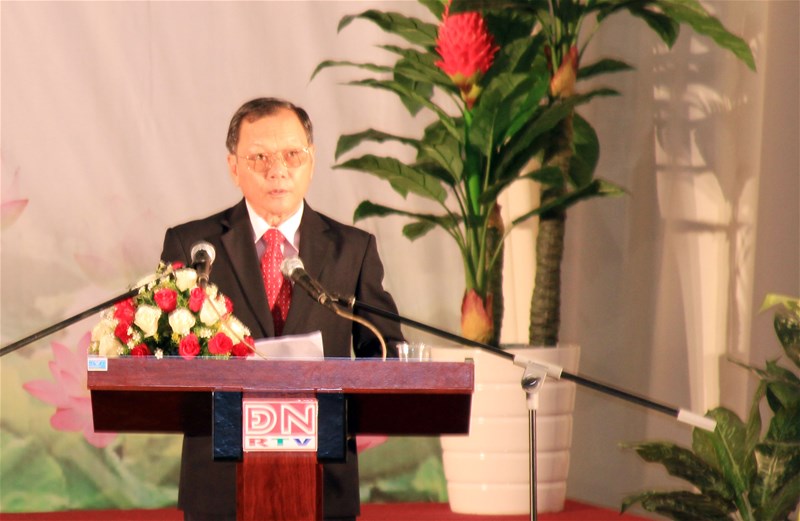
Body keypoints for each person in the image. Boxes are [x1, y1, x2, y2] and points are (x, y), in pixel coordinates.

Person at [159, 97, 404, 521]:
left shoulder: (352, 249)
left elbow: (384, 349)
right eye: (260, 157)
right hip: (221, 474)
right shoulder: (194, 246)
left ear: (312, 161)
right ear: (233, 167)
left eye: (293, 154)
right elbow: (165, 352)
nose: (278, 170)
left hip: (322, 471)